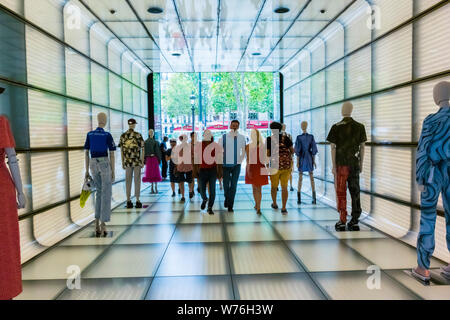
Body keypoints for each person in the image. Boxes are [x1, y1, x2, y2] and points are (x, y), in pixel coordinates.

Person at [412, 81, 450, 282]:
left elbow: (423, 150)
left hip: (433, 173)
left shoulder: (431, 120)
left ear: (437, 97)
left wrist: (420, 178)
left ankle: (423, 267)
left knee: (428, 216)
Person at [326, 102, 367, 232]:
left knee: (341, 192)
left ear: (342, 111)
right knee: (355, 192)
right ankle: (355, 220)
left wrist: (333, 166)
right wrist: (361, 164)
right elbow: (362, 147)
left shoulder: (336, 127)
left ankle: (342, 219)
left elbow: (333, 148)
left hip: (341, 165)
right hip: (354, 164)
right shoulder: (360, 127)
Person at [0, 114, 26, 300]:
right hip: (2, 188)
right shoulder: (1, 122)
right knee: (6, 242)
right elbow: (12, 158)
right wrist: (20, 191)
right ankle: (6, 291)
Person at [84, 112, 116, 236]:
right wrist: (113, 170)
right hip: (104, 162)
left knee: (98, 192)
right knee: (106, 193)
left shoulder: (90, 134)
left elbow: (86, 153)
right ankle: (103, 224)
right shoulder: (107, 135)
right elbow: (112, 154)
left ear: (98, 120)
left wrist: (86, 170)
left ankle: (96, 222)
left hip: (92, 163)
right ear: (105, 121)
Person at [218, 120, 246, 212]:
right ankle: (227, 198)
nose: (234, 127)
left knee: (233, 185)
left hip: (236, 165)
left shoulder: (242, 138)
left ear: (238, 127)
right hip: (225, 165)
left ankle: (230, 205)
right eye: (233, 125)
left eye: (236, 125)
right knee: (226, 185)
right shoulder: (224, 137)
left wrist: (241, 160)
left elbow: (243, 150)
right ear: (230, 126)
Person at [267, 121, 294, 214]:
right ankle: (284, 208)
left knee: (274, 187)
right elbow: (292, 151)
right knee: (284, 187)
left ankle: (274, 203)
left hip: (274, 166)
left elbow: (267, 154)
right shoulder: (285, 138)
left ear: (271, 129)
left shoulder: (269, 139)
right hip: (286, 166)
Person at [195, 130, 223, 215]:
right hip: (202, 170)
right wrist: (195, 171)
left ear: (211, 136)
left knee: (212, 190)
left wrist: (220, 172)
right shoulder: (199, 145)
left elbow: (219, 159)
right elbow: (196, 159)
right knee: (202, 190)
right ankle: (204, 199)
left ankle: (210, 207)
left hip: (212, 170)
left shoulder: (216, 146)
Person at [119, 118, 145, 208]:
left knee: (128, 181)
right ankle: (137, 200)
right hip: (137, 161)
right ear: (134, 125)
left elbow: (121, 150)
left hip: (128, 161)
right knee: (137, 180)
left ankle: (128, 200)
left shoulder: (123, 136)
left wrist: (123, 162)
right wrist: (142, 161)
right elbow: (143, 148)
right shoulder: (138, 135)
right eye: (133, 124)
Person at [245, 129, 269, 215]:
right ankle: (258, 205)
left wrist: (248, 170)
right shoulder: (263, 146)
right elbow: (266, 160)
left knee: (254, 188)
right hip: (260, 167)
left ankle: (257, 205)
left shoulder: (248, 146)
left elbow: (248, 160)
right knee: (259, 189)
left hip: (253, 168)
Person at [294, 121, 318, 205]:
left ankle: (301, 197)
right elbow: (313, 150)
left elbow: (297, 150)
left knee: (302, 177)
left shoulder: (300, 137)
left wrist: (314, 161)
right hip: (308, 157)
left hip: (303, 157)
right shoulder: (310, 137)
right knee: (309, 176)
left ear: (306, 126)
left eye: (304, 125)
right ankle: (311, 197)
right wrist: (313, 160)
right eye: (302, 125)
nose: (303, 126)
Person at [173, 134, 194, 202]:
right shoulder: (178, 147)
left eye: (184, 138)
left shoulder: (190, 146)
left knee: (189, 180)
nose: (183, 140)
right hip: (180, 166)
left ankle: (190, 191)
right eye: (181, 138)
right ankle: (183, 196)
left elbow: (193, 155)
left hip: (188, 166)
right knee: (181, 181)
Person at [143, 129, 162, 194]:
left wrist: (159, 159)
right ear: (148, 133)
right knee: (151, 173)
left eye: (152, 132)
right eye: (150, 132)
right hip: (151, 159)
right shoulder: (147, 142)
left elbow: (157, 152)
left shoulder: (153, 142)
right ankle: (152, 188)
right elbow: (144, 152)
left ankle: (155, 187)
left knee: (154, 173)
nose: (151, 133)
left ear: (153, 133)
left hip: (153, 159)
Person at [282, 124, 295, 192]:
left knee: (289, 171)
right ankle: (286, 185)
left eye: (284, 126)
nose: (284, 128)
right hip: (283, 157)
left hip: (287, 156)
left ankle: (290, 185)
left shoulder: (289, 135)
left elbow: (291, 146)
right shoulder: (279, 136)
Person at [190, 131, 199, 198]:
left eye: (195, 136)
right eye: (193, 136)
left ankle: (199, 188)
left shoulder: (199, 144)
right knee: (192, 177)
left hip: (198, 162)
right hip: (191, 162)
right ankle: (192, 190)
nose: (194, 137)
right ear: (191, 137)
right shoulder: (188, 145)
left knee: (199, 176)